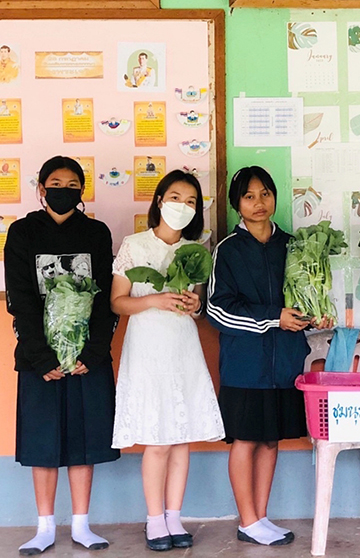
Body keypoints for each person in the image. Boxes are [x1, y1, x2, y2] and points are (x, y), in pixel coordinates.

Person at [207, 166, 328, 546]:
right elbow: (217, 310)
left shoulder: (293, 246)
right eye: (249, 196)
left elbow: (305, 299)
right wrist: (274, 318)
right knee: (245, 440)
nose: (259, 203)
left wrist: (315, 316)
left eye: (265, 194)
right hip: (245, 365)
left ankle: (260, 517)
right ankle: (247, 520)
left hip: (285, 364)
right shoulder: (228, 250)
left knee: (271, 440)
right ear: (236, 204)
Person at [5, 156, 119, 554]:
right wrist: (42, 357)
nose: (63, 191)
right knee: (43, 441)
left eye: (72, 185)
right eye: (55, 184)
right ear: (41, 189)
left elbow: (105, 298)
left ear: (82, 191)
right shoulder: (22, 232)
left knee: (84, 440)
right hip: (39, 359)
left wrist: (93, 351)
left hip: (88, 358)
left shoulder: (96, 233)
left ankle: (82, 526)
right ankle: (45, 527)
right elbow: (20, 298)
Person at [110, 170, 224, 552]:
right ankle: (154, 519)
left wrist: (194, 304)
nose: (182, 206)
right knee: (158, 441)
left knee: (180, 439)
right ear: (159, 201)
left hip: (182, 346)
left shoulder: (196, 249)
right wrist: (153, 300)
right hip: (148, 348)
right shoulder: (135, 244)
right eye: (175, 198)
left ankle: (175, 517)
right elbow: (117, 302)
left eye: (191, 202)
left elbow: (197, 304)